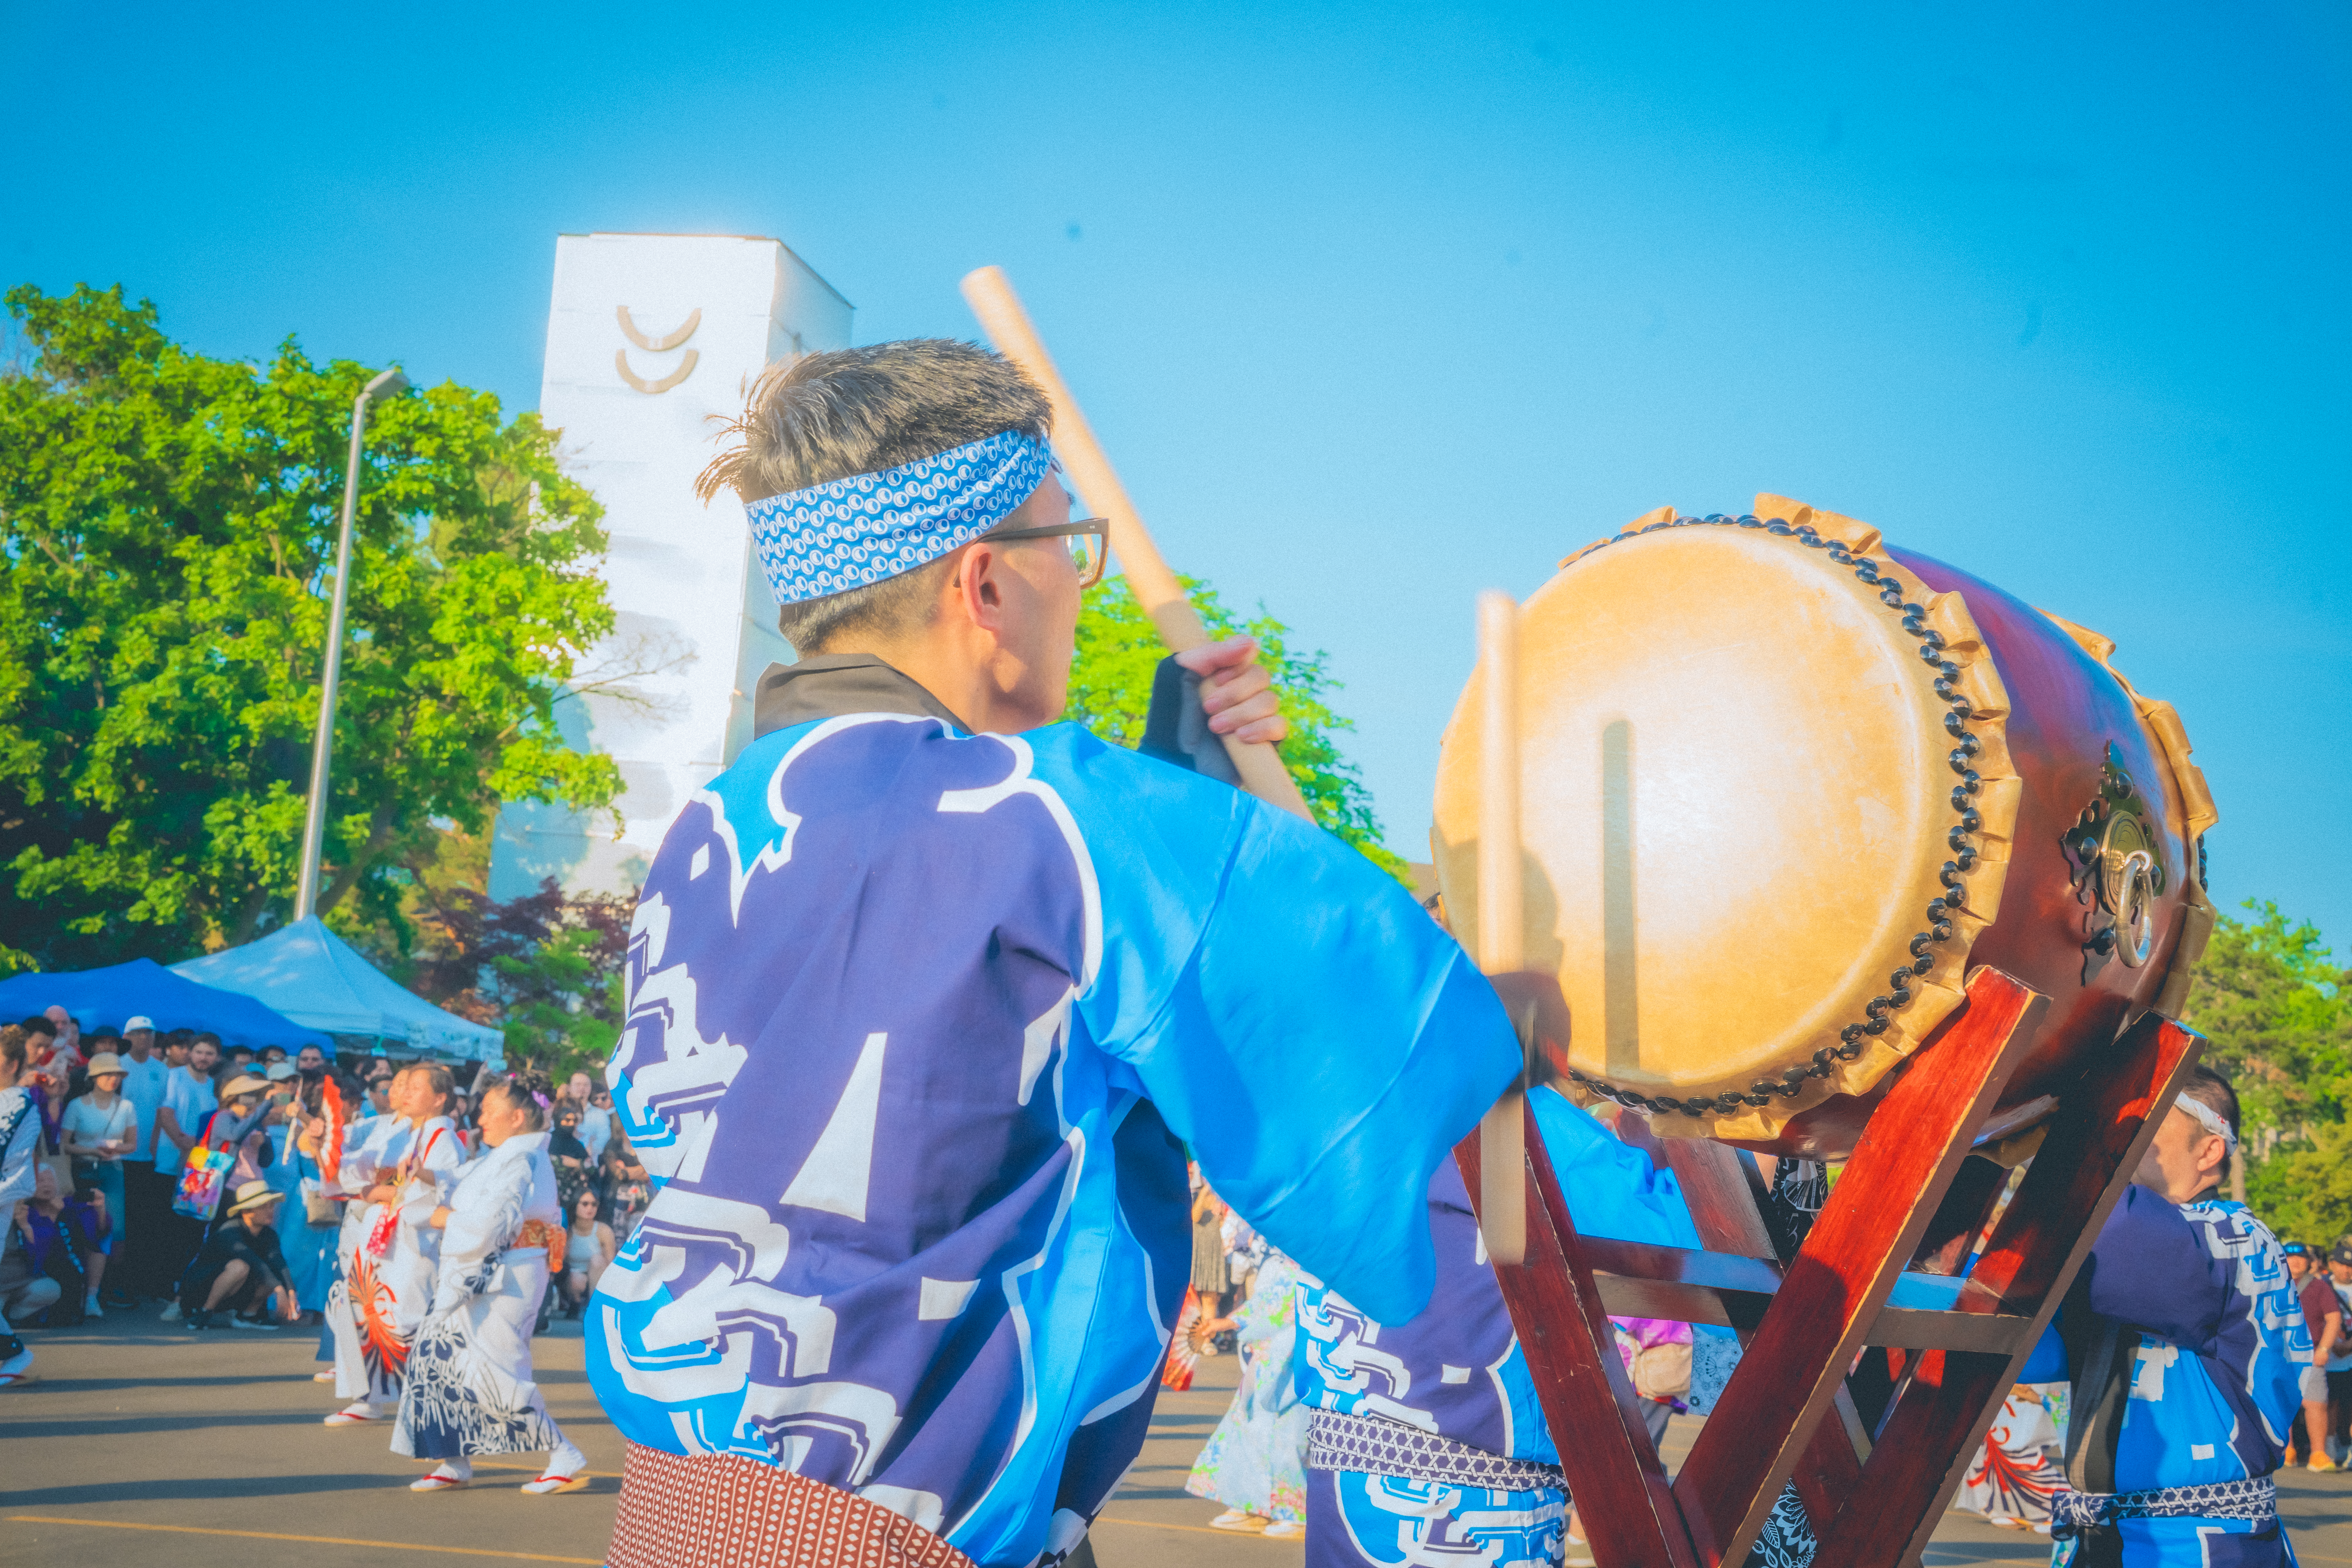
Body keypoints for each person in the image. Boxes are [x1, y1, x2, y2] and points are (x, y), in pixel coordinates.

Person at [584, 339, 1516, 1568]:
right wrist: (1225, 827)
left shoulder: (707, 824)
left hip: (676, 1520)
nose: (1083, 584)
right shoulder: (1075, 814)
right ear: (984, 582)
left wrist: (1181, 790)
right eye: (1065, 546)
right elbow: (1427, 1062)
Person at [1292, 1092, 1795, 1568]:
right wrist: (1749, 1112)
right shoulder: (1496, 1104)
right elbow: (1695, 1240)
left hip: (1350, 1486)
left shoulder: (1332, 1101)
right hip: (1466, 1504)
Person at [2047, 1066, 2305, 1566]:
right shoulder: (2119, 1249)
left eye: (2141, 1125)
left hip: (2199, 1541)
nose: (2119, 1137)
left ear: (2209, 1149)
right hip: (2098, 1535)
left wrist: (2075, 1135)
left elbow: (2132, 1245)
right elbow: (2032, 1350)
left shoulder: (2233, 1233)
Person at [396, 1071, 591, 1494]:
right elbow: (466, 1178)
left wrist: (441, 1218)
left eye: (488, 1111)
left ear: (518, 1117)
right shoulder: (505, 1155)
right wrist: (429, 1177)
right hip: (490, 1268)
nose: (480, 1118)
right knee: (437, 1355)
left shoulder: (523, 1159)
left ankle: (562, 1452)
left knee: (493, 1366)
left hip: (508, 1273)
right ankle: (454, 1458)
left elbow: (491, 1222)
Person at [324, 1064, 464, 1426]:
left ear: (440, 1098)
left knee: (405, 1315)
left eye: (417, 1087)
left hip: (413, 1239)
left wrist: (390, 1188)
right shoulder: (397, 1132)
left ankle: (421, 1397)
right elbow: (351, 1167)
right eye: (405, 1086)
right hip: (380, 1229)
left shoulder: (445, 1139)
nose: (406, 1092)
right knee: (362, 1305)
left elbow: (445, 1193)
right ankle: (367, 1395)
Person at [1185, 1244, 1309, 1538]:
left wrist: (1233, 1321)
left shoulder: (1314, 1252)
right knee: (1249, 1423)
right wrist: (1234, 1321)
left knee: (1291, 1434)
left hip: (1300, 1352)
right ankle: (1249, 1504)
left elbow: (1283, 1298)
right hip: (1272, 1349)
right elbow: (1273, 1297)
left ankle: (1296, 1510)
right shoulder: (1285, 1254)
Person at [58, 1051, 136, 1318]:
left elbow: (133, 1144)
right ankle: (84, 1290)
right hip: (83, 1171)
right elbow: (64, 1144)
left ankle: (100, 1290)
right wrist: (93, 1151)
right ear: (94, 1077)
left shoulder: (126, 1106)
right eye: (107, 1074)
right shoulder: (77, 1105)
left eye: (117, 1074)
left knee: (115, 1230)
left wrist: (115, 1149)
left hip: (113, 1170)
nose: (113, 1079)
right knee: (83, 1228)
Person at [179, 1180, 300, 1331]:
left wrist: (291, 1291)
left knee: (272, 1270)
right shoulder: (230, 1232)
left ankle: (248, 1316)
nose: (270, 1211)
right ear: (246, 1212)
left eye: (272, 1206)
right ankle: (204, 1313)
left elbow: (279, 1263)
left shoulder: (270, 1235)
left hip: (235, 1292)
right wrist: (279, 1289)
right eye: (263, 1207)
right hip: (199, 1292)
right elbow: (254, 1261)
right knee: (240, 1267)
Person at [109, 1015, 169, 1304]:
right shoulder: (119, 1066)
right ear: (128, 1036)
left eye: (150, 1033)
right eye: (139, 1033)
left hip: (148, 1157)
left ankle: (141, 1281)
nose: (145, 1038)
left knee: (145, 1221)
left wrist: (155, 1149)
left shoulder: (162, 1070)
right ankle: (116, 1283)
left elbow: (162, 1112)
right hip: (121, 1157)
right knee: (121, 1221)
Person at [0, 1026, 48, 1387]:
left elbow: (22, 1178)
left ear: (12, 1062)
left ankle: (12, 1350)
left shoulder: (21, 1106)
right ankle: (11, 1350)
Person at [2280, 1243, 2340, 1469]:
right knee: (2281, 1402)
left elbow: (2334, 1318)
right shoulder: (2273, 1283)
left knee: (2316, 1403)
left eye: (2301, 1258)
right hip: (2279, 1354)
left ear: (2309, 1262)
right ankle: (2287, 1451)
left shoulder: (2320, 1287)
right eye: (2290, 1257)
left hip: (2311, 1353)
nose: (2296, 1262)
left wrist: (2324, 1349)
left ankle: (2318, 1454)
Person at [556, 1186, 612, 1319]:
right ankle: (574, 1304)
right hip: (573, 1280)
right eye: (585, 1204)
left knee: (597, 1260)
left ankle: (595, 1308)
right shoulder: (568, 1231)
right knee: (577, 1279)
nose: (590, 1208)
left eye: (594, 1205)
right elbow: (560, 1263)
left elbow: (611, 1263)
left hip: (597, 1280)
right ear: (576, 1205)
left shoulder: (604, 1231)